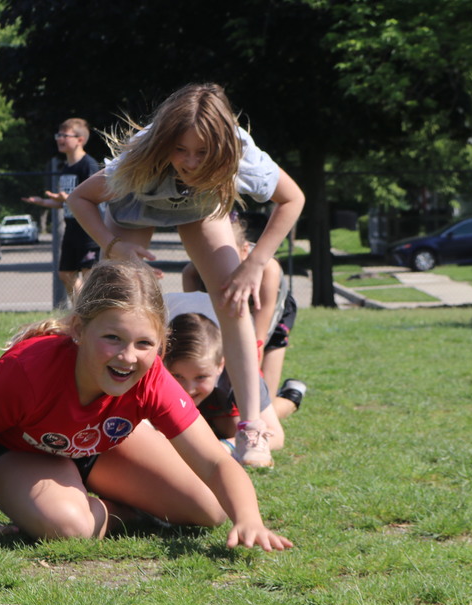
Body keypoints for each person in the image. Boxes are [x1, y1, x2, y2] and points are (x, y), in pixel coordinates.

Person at [0, 260, 293, 551]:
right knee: (69, 526)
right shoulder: (27, 371)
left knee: (212, 509)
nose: (127, 357)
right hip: (21, 454)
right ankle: (121, 514)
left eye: (144, 343)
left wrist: (250, 520)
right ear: (79, 328)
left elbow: (216, 461)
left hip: (98, 448)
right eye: (112, 338)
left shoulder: (151, 377)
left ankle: (115, 506)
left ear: (161, 344)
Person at [67, 83, 305, 469]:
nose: (191, 162)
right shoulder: (142, 153)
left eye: (202, 153)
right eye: (180, 150)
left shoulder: (241, 152)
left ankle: (251, 429)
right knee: (115, 311)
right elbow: (80, 198)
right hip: (134, 211)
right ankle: (92, 417)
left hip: (200, 211)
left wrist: (255, 263)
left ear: (223, 148)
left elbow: (293, 198)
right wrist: (113, 247)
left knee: (234, 303)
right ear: (165, 142)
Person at [182, 212, 305, 418]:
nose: (222, 265)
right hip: (226, 310)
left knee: (261, 405)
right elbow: (200, 329)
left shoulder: (268, 269)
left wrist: (243, 388)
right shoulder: (193, 273)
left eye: (230, 256)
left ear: (245, 250)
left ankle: (292, 397)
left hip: (272, 316)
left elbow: (258, 337)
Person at [165, 311, 285, 466]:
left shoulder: (240, 376)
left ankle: (290, 397)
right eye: (178, 376)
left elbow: (277, 437)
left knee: (234, 426)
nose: (189, 389)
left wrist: (223, 446)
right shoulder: (153, 374)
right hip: (206, 407)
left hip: (220, 405)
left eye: (201, 377)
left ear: (220, 366)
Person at [23, 118, 102, 303]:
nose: (59, 139)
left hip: (87, 229)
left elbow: (92, 198)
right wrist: (42, 202)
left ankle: (89, 315)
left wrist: (66, 199)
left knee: (89, 276)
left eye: (64, 135)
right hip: (71, 228)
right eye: (58, 135)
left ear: (80, 139)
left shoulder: (88, 165)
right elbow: (65, 203)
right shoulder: (67, 167)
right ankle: (82, 313)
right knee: (65, 274)